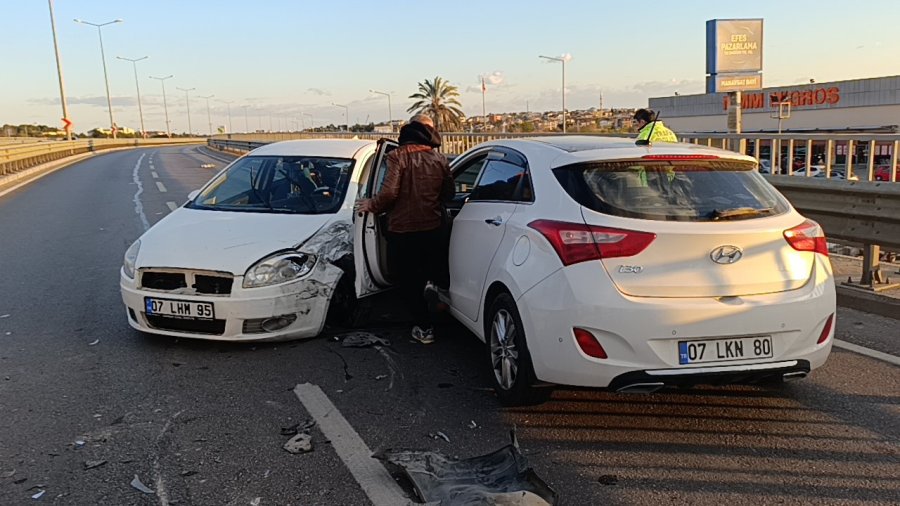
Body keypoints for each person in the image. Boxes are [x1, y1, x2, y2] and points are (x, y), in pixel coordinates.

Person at [355, 115, 453, 344]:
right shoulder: (439, 159)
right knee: (430, 271)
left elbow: (389, 193)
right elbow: (449, 193)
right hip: (432, 226)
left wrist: (373, 204)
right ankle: (435, 303)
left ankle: (424, 328)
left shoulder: (397, 156)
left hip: (402, 229)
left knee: (409, 280)